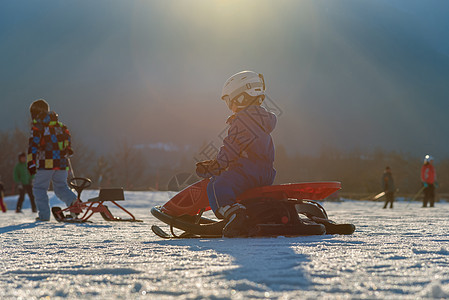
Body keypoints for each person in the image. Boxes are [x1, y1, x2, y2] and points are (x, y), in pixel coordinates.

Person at [196, 71, 277, 237]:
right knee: (231, 182)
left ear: (242, 98)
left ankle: (235, 215)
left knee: (217, 185)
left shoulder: (242, 120)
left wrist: (217, 166)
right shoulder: (262, 119)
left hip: (248, 170)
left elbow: (231, 147)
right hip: (267, 173)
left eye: (229, 101)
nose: (229, 106)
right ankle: (245, 211)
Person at [27, 99, 77, 221]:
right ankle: (74, 205)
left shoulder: (38, 127)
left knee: (39, 188)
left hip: (46, 163)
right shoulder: (60, 126)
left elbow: (33, 146)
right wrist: (68, 150)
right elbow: (67, 142)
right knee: (61, 188)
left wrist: (31, 163)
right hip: (62, 163)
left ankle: (44, 216)